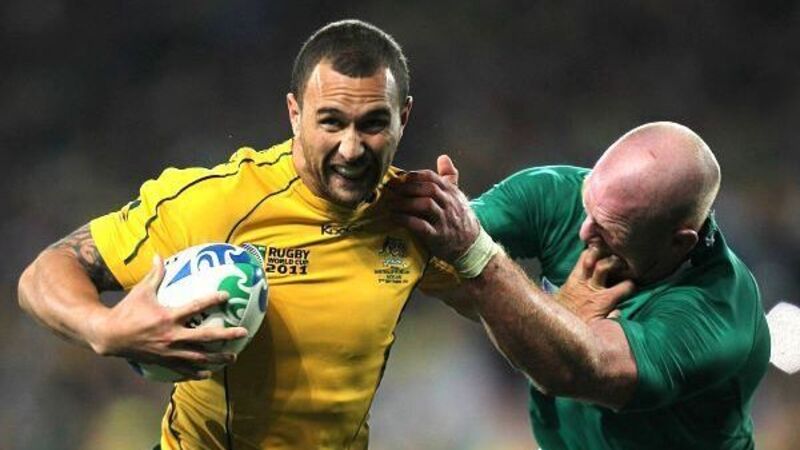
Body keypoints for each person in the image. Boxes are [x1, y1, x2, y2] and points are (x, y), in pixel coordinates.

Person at [18, 19, 425, 449]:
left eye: (373, 124)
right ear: (295, 114)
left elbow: (478, 302)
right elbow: (44, 272)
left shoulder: (421, 215)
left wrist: (468, 251)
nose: (351, 148)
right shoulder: (219, 203)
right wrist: (103, 327)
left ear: (403, 118)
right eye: (331, 122)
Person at [388, 121, 771, 449]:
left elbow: (574, 371)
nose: (585, 230)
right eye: (589, 204)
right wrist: (438, 233)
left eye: (611, 228)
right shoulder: (560, 195)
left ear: (679, 241)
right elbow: (437, 255)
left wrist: (475, 256)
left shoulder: (717, 311)